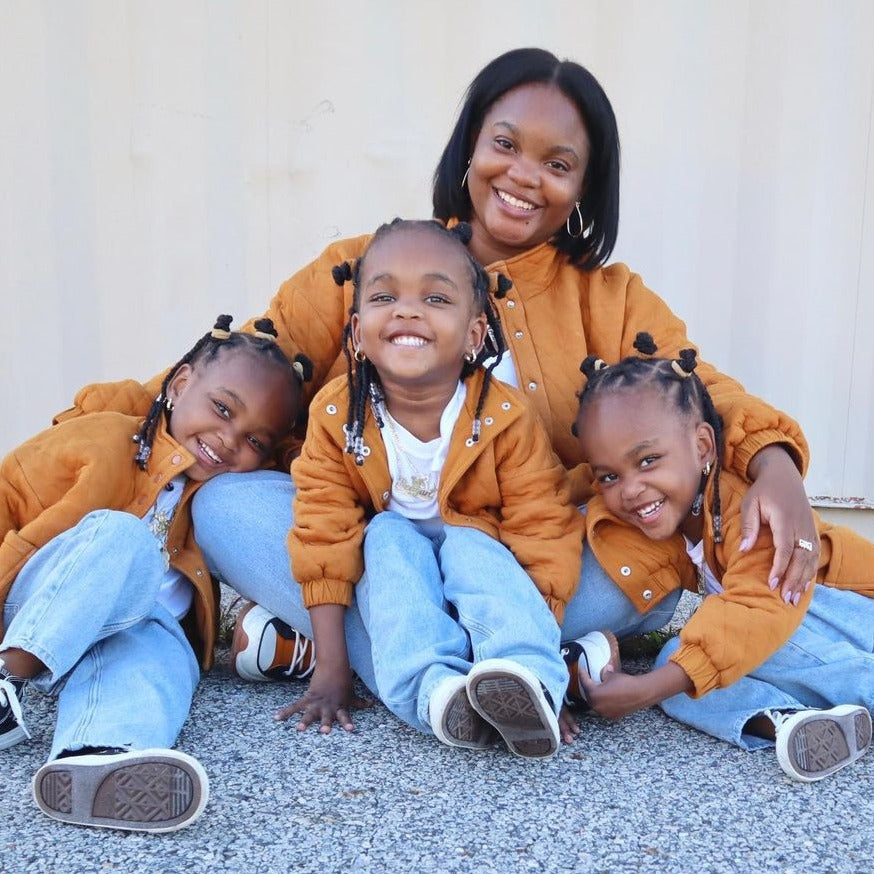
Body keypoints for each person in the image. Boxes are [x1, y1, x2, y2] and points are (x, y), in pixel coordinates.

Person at [55, 48, 819, 701]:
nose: (524, 177)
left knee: (637, 555)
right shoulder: (371, 267)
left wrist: (778, 464)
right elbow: (239, 369)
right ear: (468, 148)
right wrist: (99, 420)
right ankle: (495, 669)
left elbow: (702, 395)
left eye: (558, 165)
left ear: (585, 187)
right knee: (227, 504)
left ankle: (373, 658)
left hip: (536, 563)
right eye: (506, 145)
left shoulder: (609, 296)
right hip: (382, 554)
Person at [276, 218, 583, 758]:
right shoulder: (335, 414)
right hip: (396, 565)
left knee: (473, 544)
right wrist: (331, 669)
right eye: (384, 295)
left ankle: (531, 681)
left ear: (474, 334)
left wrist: (545, 637)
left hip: (484, 553)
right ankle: (438, 694)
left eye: (436, 297)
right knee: (386, 537)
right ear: (356, 332)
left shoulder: (506, 416)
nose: (407, 310)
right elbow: (323, 531)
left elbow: (541, 526)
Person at [0, 316, 307, 831]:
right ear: (180, 384)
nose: (230, 439)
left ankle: (95, 760)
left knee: (162, 652)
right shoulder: (104, 438)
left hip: (132, 625)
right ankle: (10, 674)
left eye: (255, 440)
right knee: (125, 540)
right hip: (43, 601)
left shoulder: (213, 503)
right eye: (223, 409)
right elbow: (8, 498)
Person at [571, 333, 874, 782]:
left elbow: (759, 611)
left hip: (843, 614)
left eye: (649, 460)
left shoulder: (749, 509)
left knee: (703, 653)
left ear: (703, 446)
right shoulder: (679, 512)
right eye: (610, 475)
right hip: (788, 631)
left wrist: (647, 690)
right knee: (679, 670)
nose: (630, 489)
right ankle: (792, 722)